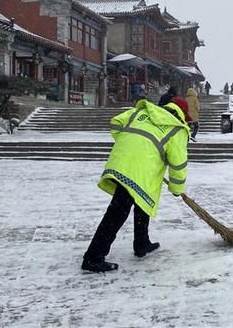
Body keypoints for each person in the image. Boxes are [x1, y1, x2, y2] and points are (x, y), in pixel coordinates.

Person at [81, 97, 191, 272]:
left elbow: (116, 123)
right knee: (118, 211)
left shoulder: (142, 112)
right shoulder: (177, 128)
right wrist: (177, 189)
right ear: (183, 115)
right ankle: (93, 257)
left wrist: (130, 143)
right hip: (139, 169)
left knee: (141, 201)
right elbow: (178, 164)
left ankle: (142, 243)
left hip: (122, 161)